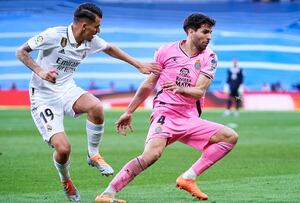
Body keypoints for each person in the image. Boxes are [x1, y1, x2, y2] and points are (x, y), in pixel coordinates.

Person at [15, 3, 162, 202]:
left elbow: (109, 48)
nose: (99, 30)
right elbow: (21, 51)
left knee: (96, 106)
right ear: (84, 26)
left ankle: (93, 155)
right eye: (97, 26)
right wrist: (40, 71)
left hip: (66, 89)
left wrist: (138, 64)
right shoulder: (53, 35)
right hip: (43, 96)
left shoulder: (89, 40)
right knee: (64, 149)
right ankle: (65, 179)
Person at [95, 13, 239, 203]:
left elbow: (200, 91)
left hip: (190, 118)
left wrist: (180, 88)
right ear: (191, 31)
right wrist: (129, 111)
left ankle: (188, 177)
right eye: (205, 32)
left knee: (229, 137)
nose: (209, 37)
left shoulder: (210, 57)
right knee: (151, 155)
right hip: (166, 114)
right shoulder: (165, 51)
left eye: (210, 32)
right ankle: (108, 193)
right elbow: (149, 84)